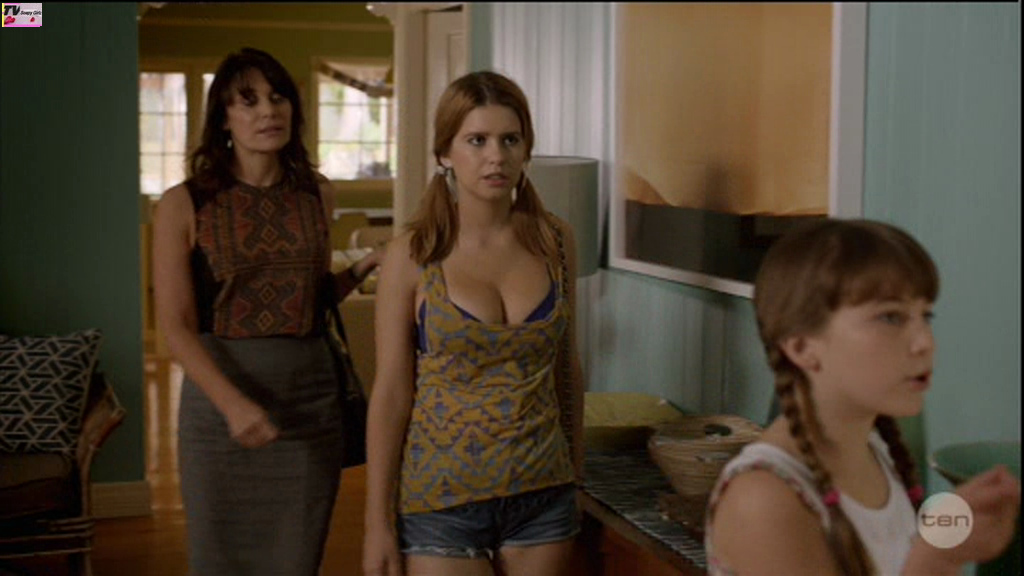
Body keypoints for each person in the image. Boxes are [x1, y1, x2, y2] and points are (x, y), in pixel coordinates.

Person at [152, 47, 382, 575]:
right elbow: (176, 327)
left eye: (278, 98)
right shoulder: (183, 203)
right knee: (219, 561)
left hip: (310, 403)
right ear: (223, 118)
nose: (268, 111)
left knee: (296, 559)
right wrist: (233, 405)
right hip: (220, 404)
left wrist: (366, 264)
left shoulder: (317, 194)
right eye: (249, 101)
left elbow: (310, 298)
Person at [704, 218, 1021, 576]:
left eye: (925, 315)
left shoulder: (877, 453)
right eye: (891, 317)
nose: (925, 342)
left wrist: (953, 532)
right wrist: (937, 558)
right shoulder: (764, 498)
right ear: (802, 347)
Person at [362, 71, 585, 576]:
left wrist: (577, 476)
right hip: (441, 500)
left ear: (526, 148)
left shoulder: (556, 241)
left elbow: (566, 368)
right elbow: (392, 392)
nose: (496, 157)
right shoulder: (412, 255)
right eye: (477, 140)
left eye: (510, 139)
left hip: (543, 494)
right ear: (445, 152)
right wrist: (377, 522)